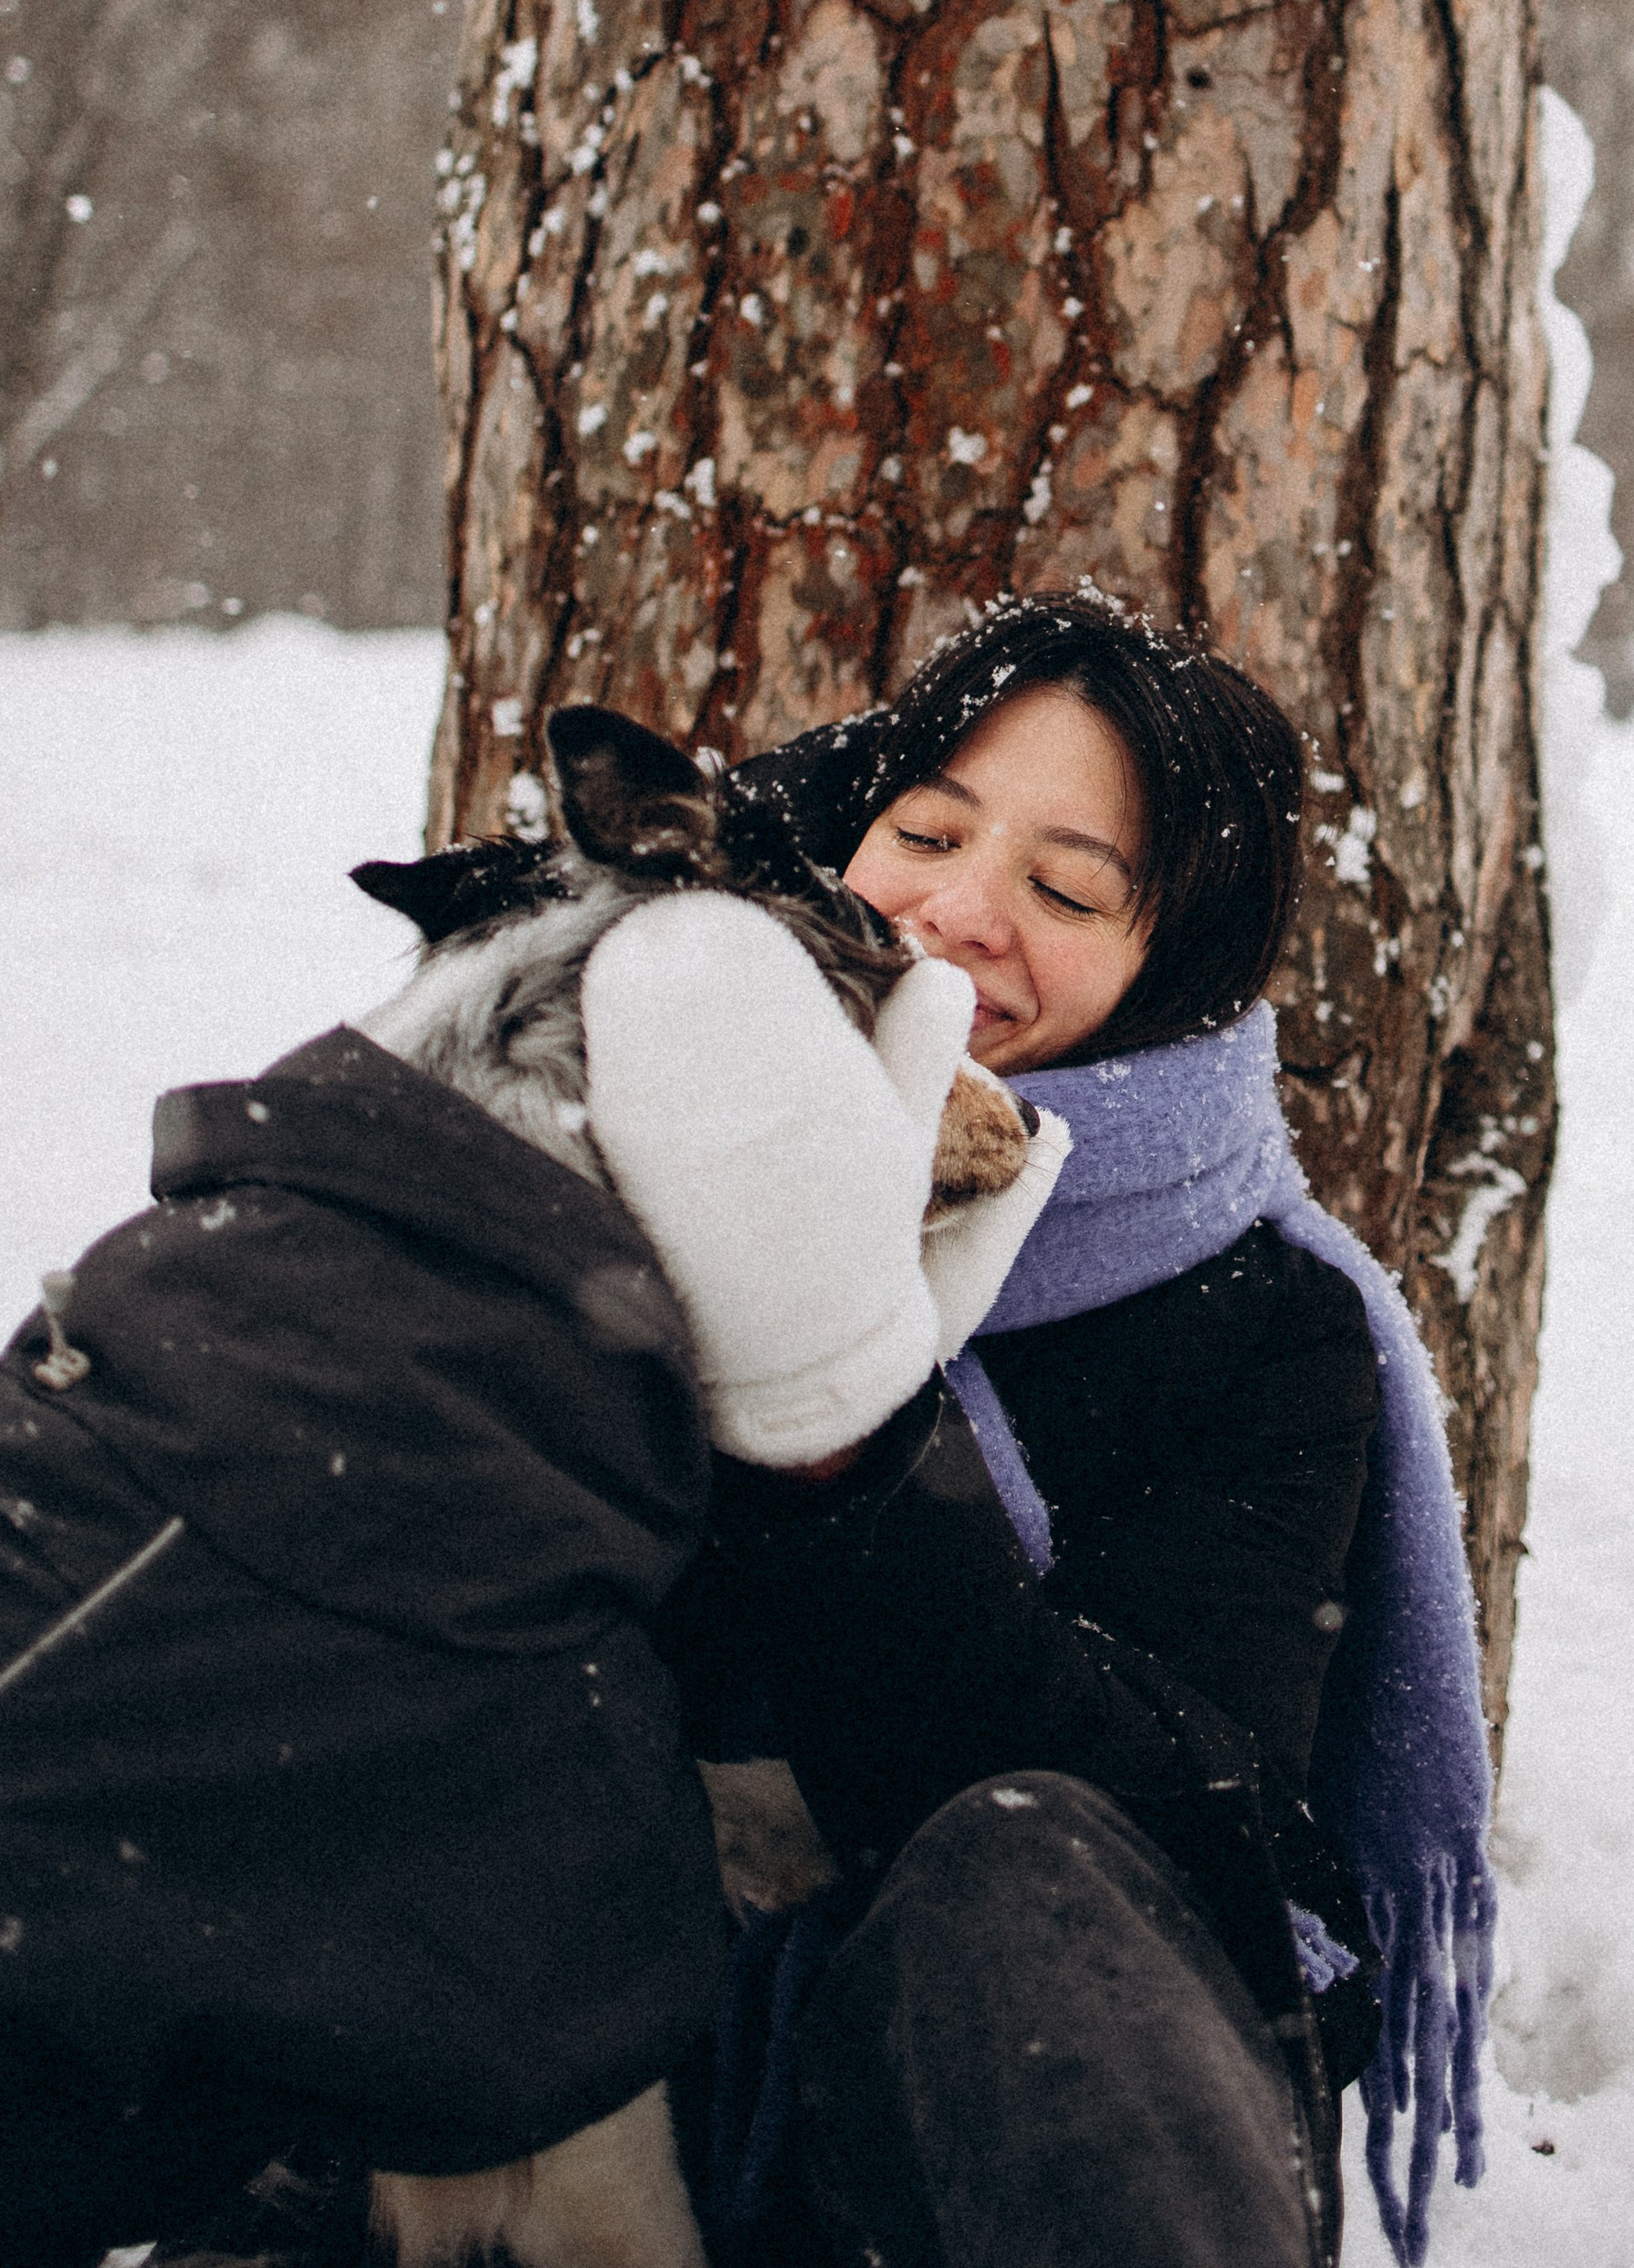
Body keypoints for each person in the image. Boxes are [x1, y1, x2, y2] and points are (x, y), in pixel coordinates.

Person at [605, 587, 1498, 2268]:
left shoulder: (1266, 1324)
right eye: (926, 828)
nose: (955, 914)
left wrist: (841, 1447)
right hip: (587, 2049)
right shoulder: (634, 1125)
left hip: (1030, 2111)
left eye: (1065, 887)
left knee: (1019, 1875)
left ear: (1181, 966)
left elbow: (1186, 1813)